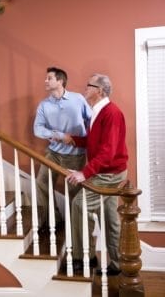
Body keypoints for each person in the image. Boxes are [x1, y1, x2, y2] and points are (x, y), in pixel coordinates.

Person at [65, 73, 128, 275]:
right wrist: (74, 140)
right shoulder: (98, 111)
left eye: (88, 86)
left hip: (109, 174)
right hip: (108, 171)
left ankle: (84, 257)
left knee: (78, 205)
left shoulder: (111, 113)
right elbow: (96, 142)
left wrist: (85, 173)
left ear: (99, 91)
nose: (85, 89)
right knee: (110, 218)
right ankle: (117, 265)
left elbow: (107, 152)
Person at [33, 66, 92, 227]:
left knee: (74, 192)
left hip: (75, 155)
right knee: (42, 183)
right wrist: (59, 135)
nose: (45, 81)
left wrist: (83, 140)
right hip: (53, 153)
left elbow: (91, 120)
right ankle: (51, 220)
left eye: (49, 78)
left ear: (60, 81)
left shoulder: (78, 99)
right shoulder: (44, 105)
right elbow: (37, 129)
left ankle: (77, 228)